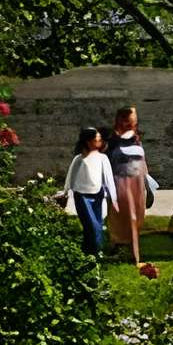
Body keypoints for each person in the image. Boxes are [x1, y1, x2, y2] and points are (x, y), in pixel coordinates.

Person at [107, 105, 151, 265]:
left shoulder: (136, 140)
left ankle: (132, 247)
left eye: (135, 121)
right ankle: (119, 245)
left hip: (137, 182)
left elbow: (143, 163)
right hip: (121, 181)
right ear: (122, 121)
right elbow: (108, 162)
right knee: (121, 214)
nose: (134, 124)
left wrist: (148, 185)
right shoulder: (113, 141)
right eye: (131, 121)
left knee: (136, 214)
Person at [64, 127, 113, 261]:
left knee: (98, 223)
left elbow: (108, 178)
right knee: (90, 224)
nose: (99, 141)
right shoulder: (79, 159)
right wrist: (66, 191)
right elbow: (71, 175)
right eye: (96, 139)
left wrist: (113, 196)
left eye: (100, 139)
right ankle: (94, 250)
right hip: (82, 195)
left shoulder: (102, 158)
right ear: (88, 141)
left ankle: (90, 250)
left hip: (97, 194)